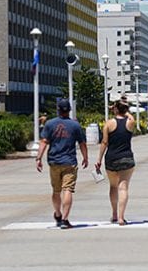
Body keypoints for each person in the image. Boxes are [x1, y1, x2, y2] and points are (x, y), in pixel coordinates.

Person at [35, 98, 89, 229]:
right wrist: (85, 157)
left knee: (56, 190)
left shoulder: (50, 124)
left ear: (58, 109)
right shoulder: (75, 125)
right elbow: (82, 143)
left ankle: (58, 214)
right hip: (69, 162)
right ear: (69, 110)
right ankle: (65, 219)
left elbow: (44, 142)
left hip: (54, 161)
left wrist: (39, 158)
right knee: (68, 190)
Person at [98, 98, 136, 225]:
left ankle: (114, 214)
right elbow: (130, 116)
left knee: (113, 186)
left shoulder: (108, 124)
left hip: (111, 158)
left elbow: (104, 142)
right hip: (126, 157)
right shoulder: (130, 122)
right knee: (123, 188)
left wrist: (98, 159)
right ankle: (121, 217)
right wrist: (123, 109)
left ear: (115, 109)